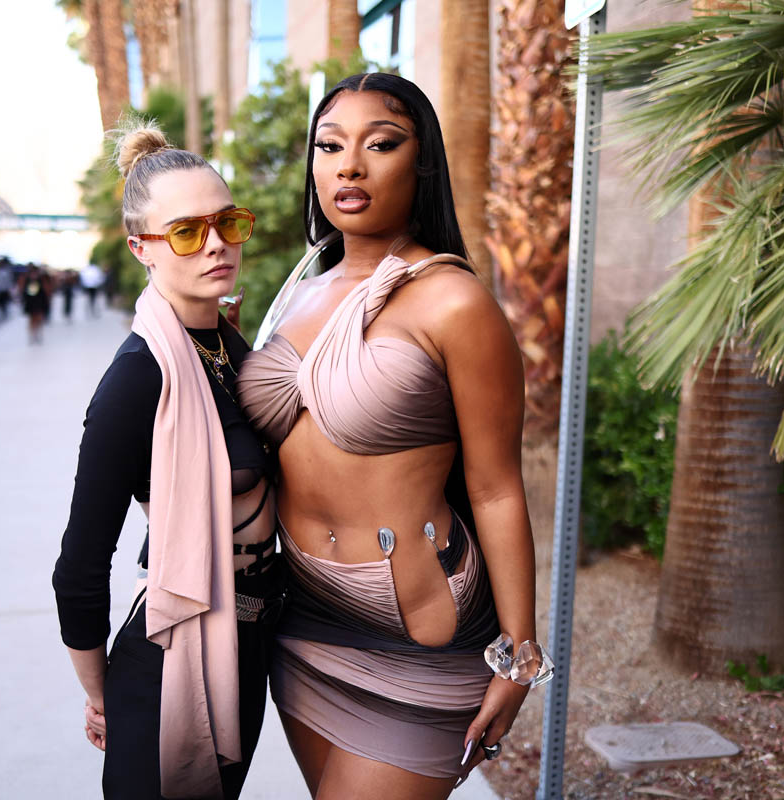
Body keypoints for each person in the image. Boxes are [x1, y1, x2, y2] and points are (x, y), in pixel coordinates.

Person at [235, 73, 543, 799]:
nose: (349, 166)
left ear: (422, 163)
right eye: (329, 146)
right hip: (302, 621)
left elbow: (496, 487)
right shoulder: (296, 294)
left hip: (417, 630)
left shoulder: (453, 301)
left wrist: (520, 654)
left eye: (380, 144)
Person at [52, 121, 282, 800]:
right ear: (141, 248)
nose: (215, 244)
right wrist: (102, 696)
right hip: (171, 662)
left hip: (246, 649)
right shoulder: (138, 377)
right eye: (186, 232)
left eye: (227, 222)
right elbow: (79, 566)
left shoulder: (232, 350)